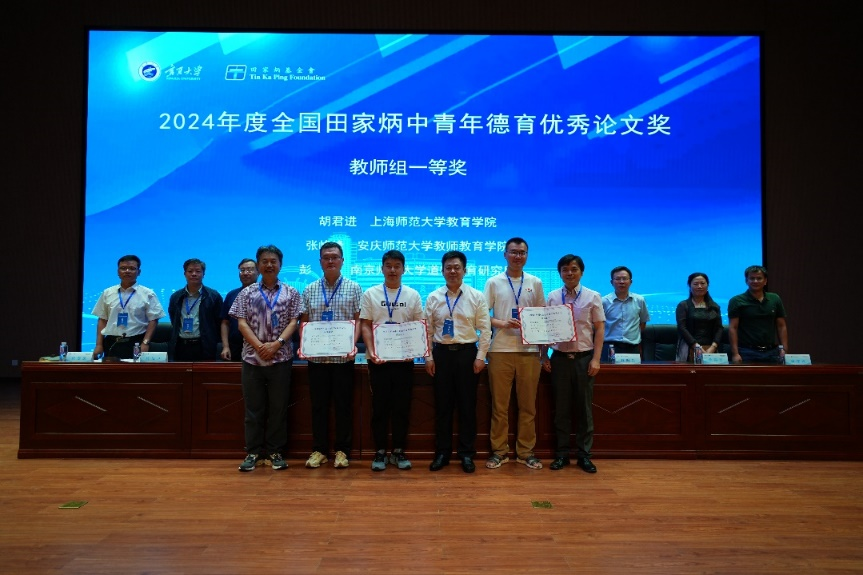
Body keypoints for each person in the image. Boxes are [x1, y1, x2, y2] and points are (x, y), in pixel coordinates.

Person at [230, 245, 301, 472]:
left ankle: (275, 452)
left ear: (280, 264)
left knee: (278, 409)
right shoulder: (246, 293)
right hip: (252, 358)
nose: (269, 265)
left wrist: (277, 344)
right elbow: (241, 323)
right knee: (253, 409)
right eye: (264, 261)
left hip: (281, 358)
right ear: (258, 265)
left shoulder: (291, 292)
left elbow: (294, 322)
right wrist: (260, 347)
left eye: (273, 261)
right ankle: (253, 452)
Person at [425, 250, 492, 473]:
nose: (452, 271)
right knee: (443, 406)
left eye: (457, 267)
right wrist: (428, 357)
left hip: (467, 355)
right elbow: (427, 330)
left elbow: (485, 329)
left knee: (467, 406)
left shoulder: (476, 296)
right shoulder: (434, 297)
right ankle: (442, 453)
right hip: (441, 355)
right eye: (448, 268)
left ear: (465, 270)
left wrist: (480, 357)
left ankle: (466, 454)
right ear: (442, 271)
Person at [483, 237, 546, 470]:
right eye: (513, 252)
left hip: (529, 352)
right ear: (505, 254)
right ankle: (499, 452)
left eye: (522, 253)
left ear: (526, 256)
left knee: (528, 406)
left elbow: (542, 316)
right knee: (499, 406)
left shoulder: (535, 282)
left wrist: (543, 353)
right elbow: (483, 315)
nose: (518, 256)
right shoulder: (493, 282)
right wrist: (502, 323)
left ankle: (525, 452)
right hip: (500, 350)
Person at [360, 250, 424, 471]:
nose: (393, 270)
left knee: (401, 408)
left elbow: (418, 326)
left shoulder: (413, 295)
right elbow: (365, 325)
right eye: (388, 265)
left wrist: (415, 350)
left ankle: (398, 450)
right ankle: (379, 451)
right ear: (382, 269)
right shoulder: (371, 293)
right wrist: (371, 351)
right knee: (379, 408)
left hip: (404, 362)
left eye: (397, 266)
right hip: (378, 361)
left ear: (404, 269)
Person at [300, 241, 362, 470]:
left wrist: (352, 343)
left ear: (342, 261)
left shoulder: (354, 288)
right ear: (320, 262)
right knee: (318, 406)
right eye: (326, 257)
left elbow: (358, 320)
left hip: (343, 358)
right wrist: (304, 345)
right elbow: (304, 321)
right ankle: (320, 450)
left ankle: (342, 451)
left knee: (343, 405)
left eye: (334, 257)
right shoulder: (309, 289)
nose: (330, 261)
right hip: (317, 359)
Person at [542, 255, 605, 473]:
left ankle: (584, 456)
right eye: (565, 269)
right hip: (559, 359)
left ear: (581, 272)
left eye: (574, 269)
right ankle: (561, 455)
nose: (570, 273)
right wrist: (544, 355)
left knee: (584, 410)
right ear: (560, 273)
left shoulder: (592, 296)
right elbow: (546, 328)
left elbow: (600, 329)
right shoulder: (552, 296)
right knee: (561, 409)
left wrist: (596, 359)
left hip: (584, 359)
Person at [92, 254, 166, 360]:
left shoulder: (148, 294)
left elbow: (153, 320)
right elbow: (102, 319)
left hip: (136, 343)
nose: (127, 271)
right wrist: (99, 345)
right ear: (118, 271)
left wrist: (145, 342)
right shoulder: (107, 293)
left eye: (132, 268)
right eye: (123, 268)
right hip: (112, 343)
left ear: (139, 272)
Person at [728, 265, 788, 364]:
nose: (755, 281)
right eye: (752, 278)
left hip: (771, 352)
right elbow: (733, 328)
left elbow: (781, 326)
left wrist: (784, 349)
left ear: (765, 281)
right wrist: (735, 353)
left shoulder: (775, 299)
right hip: (746, 352)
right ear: (746, 281)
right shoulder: (736, 301)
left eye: (759, 278)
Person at [167, 258, 223, 361]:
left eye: (198, 271)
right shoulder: (176, 297)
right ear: (185, 274)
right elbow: (173, 318)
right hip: (181, 345)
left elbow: (219, 321)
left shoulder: (213, 296)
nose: (194, 274)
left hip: (205, 346)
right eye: (190, 271)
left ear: (203, 274)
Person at [602, 266, 650, 361]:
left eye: (624, 278)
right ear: (611, 282)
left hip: (632, 347)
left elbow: (642, 323)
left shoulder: (640, 300)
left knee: (633, 371)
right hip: (610, 347)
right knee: (609, 371)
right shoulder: (604, 301)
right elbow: (599, 325)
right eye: (618, 279)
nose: (621, 282)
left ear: (630, 281)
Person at [675, 272, 724, 362]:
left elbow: (719, 328)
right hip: (689, 348)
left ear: (707, 285)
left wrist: (713, 347)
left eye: (702, 283)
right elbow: (682, 328)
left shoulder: (715, 306)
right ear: (689, 286)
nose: (699, 286)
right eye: (695, 284)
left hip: (711, 349)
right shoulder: (683, 305)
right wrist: (696, 347)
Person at [221, 258, 259, 361]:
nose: (245, 273)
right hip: (235, 346)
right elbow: (225, 322)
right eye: (242, 270)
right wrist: (225, 346)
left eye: (249, 270)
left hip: (259, 346)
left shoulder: (265, 294)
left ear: (258, 272)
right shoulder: (231, 295)